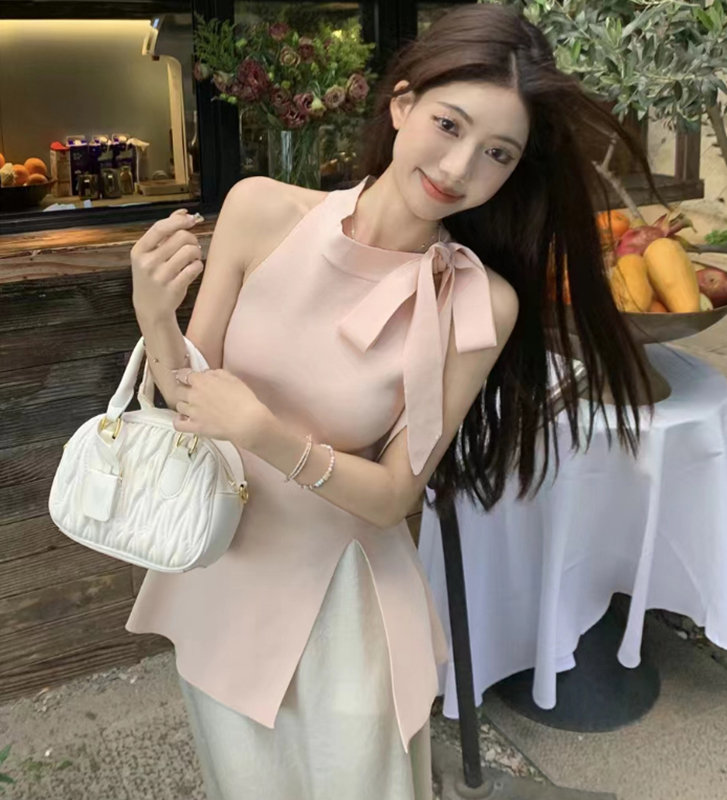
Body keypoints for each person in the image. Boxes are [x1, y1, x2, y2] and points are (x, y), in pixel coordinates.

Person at [125, 4, 659, 799]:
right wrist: (153, 315)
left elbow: (394, 495)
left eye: (497, 153)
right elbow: (188, 401)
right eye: (449, 125)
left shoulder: (478, 304)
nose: (460, 166)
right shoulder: (260, 210)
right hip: (222, 570)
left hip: (342, 605)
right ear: (403, 104)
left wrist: (266, 434)